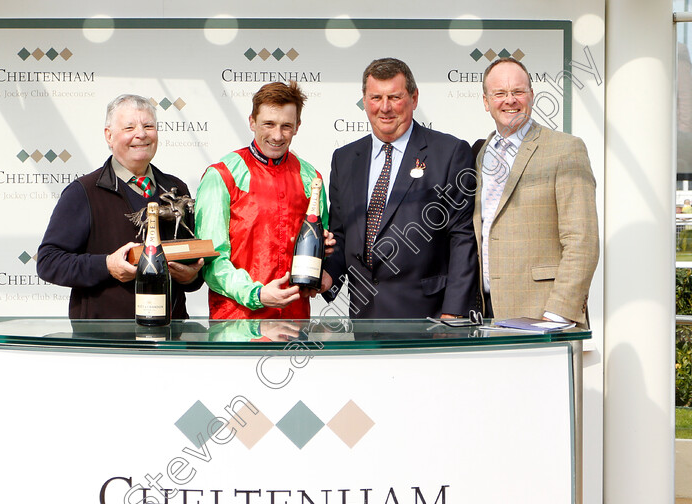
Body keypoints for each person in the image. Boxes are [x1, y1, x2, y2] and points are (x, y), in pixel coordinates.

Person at [322, 57, 478, 319]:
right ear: (364, 99)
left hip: (430, 317)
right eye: (375, 98)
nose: (384, 108)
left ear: (414, 98)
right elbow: (342, 233)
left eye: (394, 97)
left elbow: (462, 237)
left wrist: (454, 312)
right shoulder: (345, 158)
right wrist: (327, 277)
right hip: (364, 317)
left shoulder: (450, 153)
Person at [37, 94, 203, 319]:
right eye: (129, 127)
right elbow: (49, 261)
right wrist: (106, 265)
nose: (141, 134)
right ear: (109, 135)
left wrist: (191, 277)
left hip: (169, 336)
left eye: (148, 126)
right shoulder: (84, 191)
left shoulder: (176, 189)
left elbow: (193, 263)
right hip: (105, 340)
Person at [474, 57, 599, 326]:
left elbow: (582, 241)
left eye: (518, 92)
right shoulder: (479, 154)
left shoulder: (566, 149)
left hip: (543, 314)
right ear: (486, 102)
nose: (510, 100)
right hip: (487, 313)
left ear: (531, 96)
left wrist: (557, 314)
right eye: (500, 93)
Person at [194, 81, 332, 319]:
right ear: (252, 121)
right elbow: (212, 259)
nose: (277, 136)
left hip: (294, 322)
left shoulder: (312, 177)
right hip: (236, 324)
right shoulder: (222, 175)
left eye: (286, 126)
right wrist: (256, 294)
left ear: (298, 126)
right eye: (269, 124)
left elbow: (317, 250)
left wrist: (325, 257)